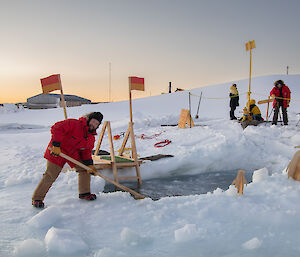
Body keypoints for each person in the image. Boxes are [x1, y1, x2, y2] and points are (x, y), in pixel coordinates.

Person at [32, 112, 103, 208]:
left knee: (85, 169)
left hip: (72, 154)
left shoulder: (90, 137)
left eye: (96, 124)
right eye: (93, 121)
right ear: (89, 119)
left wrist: (89, 165)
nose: (93, 125)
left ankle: (84, 193)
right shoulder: (74, 124)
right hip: (58, 151)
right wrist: (56, 145)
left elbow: (86, 151)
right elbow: (56, 128)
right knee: (51, 175)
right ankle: (37, 199)